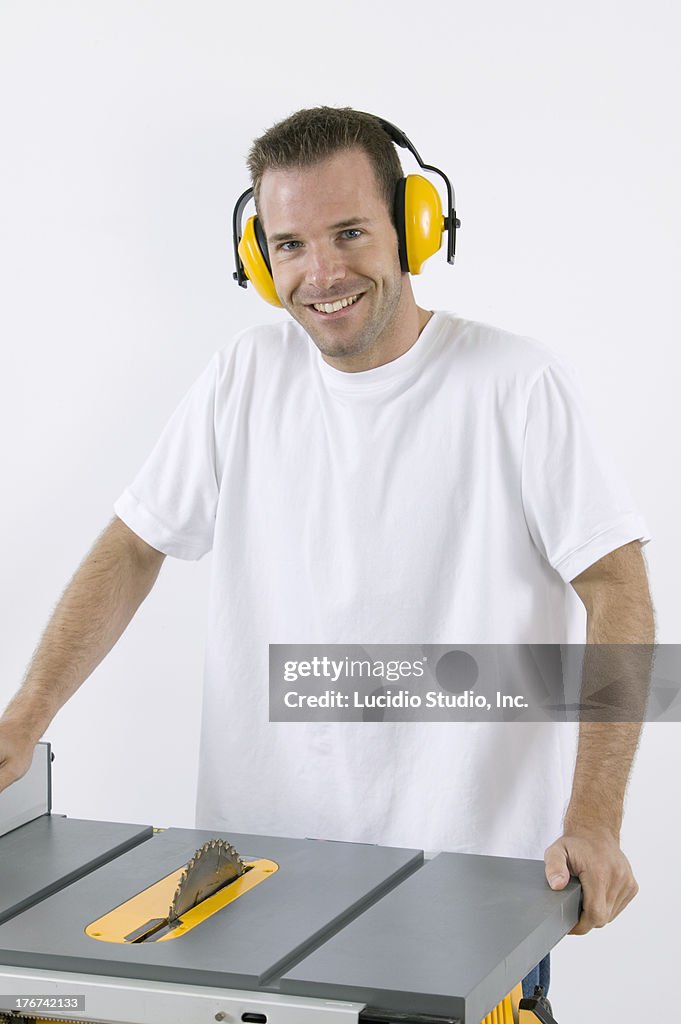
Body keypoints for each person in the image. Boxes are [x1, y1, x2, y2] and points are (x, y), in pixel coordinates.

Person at [0, 107, 654, 1000]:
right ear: (259, 260)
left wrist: (595, 818)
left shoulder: (515, 385)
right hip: (250, 887)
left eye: (349, 232)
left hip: (464, 894)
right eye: (290, 244)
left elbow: (618, 588)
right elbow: (131, 548)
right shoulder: (242, 376)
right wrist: (23, 717)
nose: (323, 272)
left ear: (415, 226)